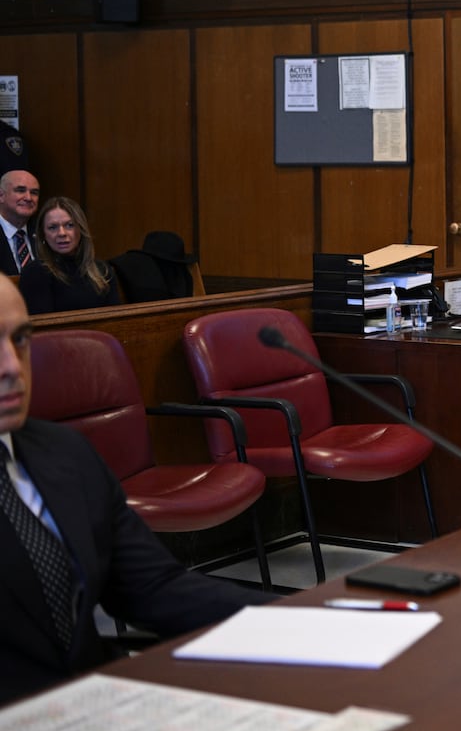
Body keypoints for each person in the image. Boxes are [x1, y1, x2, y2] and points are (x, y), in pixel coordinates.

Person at [0, 280, 275, 706]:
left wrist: (293, 620)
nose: (13, 367)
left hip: (98, 709)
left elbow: (151, 587)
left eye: (19, 340)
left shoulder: (64, 452)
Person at [19, 197, 123, 314]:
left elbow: (115, 320)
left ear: (81, 229)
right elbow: (41, 328)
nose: (62, 233)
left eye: (69, 225)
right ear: (43, 234)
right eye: (53, 227)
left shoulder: (102, 270)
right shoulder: (35, 272)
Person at [0, 168, 40, 277]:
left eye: (34, 193)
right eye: (20, 190)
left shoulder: (43, 232)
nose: (28, 198)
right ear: (1, 196)